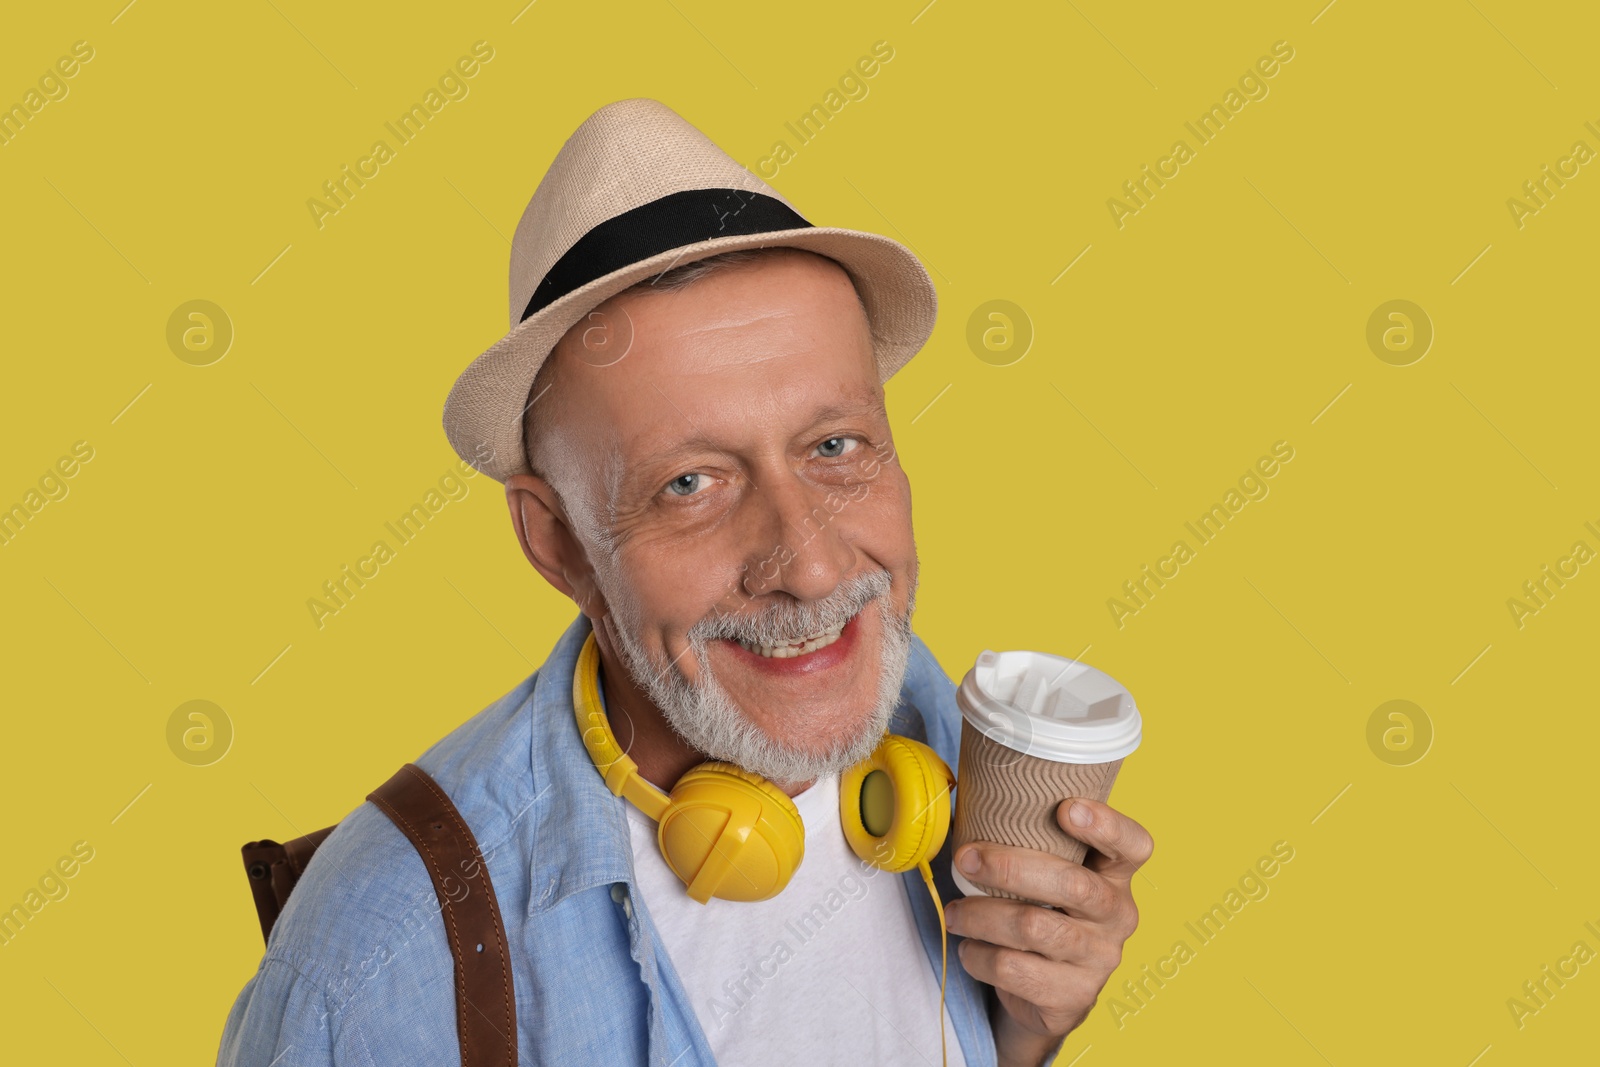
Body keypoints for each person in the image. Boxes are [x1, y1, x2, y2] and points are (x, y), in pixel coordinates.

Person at [216, 98, 1153, 1067]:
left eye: (834, 445)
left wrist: (1025, 1026)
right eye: (690, 483)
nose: (814, 565)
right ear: (561, 544)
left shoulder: (934, 731)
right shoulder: (375, 954)